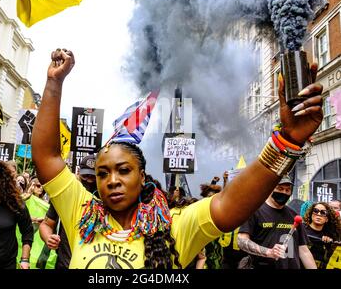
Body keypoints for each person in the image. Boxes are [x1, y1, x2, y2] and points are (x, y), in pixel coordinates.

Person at [31, 48, 323, 269]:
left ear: (142, 177)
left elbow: (231, 204)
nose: (113, 180)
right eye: (102, 174)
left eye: (123, 170)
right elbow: (47, 156)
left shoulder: (176, 225)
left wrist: (287, 141)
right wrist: (53, 83)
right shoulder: (82, 215)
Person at [238, 177, 317, 269]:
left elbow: (303, 250)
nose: (284, 192)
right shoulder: (255, 211)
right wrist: (268, 252)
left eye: (287, 190)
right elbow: (241, 241)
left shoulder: (294, 215)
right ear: (270, 189)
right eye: (280, 189)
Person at [39, 154, 97, 269]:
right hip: (64, 263)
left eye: (93, 177)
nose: (89, 181)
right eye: (85, 176)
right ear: (79, 172)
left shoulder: (106, 198)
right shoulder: (66, 195)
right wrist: (48, 238)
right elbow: (46, 224)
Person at [303, 202, 341, 269]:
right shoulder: (301, 229)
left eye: (323, 212)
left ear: (327, 219)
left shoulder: (329, 235)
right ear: (311, 214)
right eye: (315, 211)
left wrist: (330, 244)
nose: (319, 214)